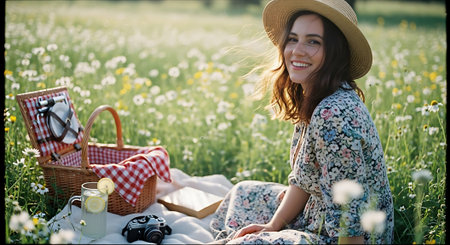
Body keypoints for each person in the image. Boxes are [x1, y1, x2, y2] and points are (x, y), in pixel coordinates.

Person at [209, 0, 394, 244]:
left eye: (313, 41)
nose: (296, 50)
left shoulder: (334, 116)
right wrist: (273, 226)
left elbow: (350, 219)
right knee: (243, 192)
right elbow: (302, 179)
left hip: (345, 237)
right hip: (316, 214)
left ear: (334, 52)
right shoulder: (318, 96)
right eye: (293, 38)